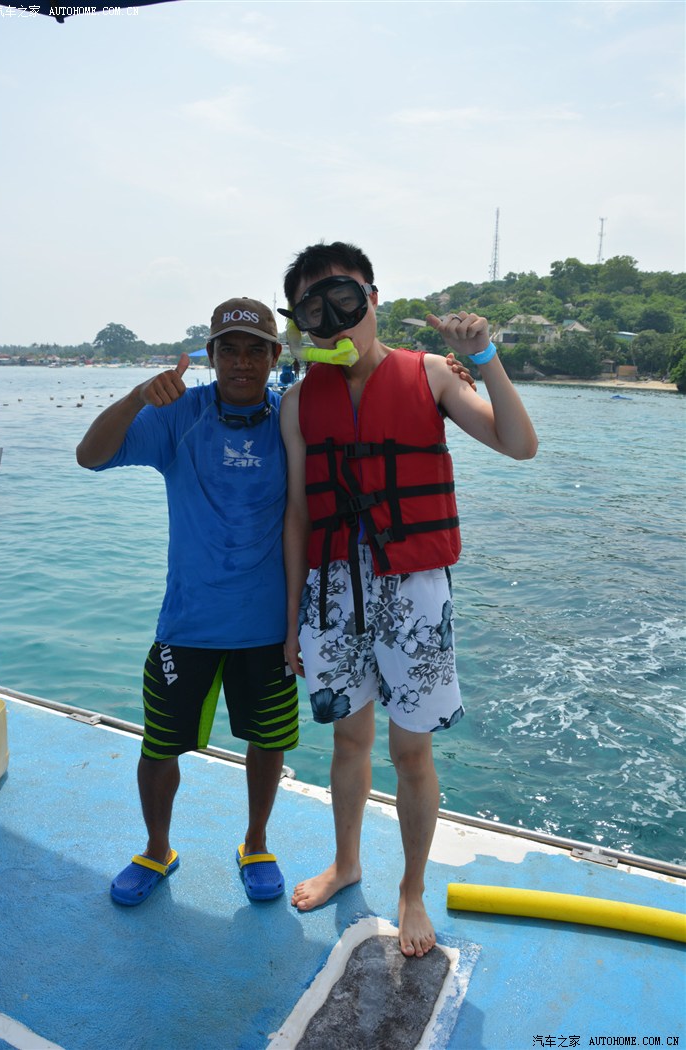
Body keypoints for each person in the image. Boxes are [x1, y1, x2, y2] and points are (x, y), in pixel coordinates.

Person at [279, 241, 538, 958]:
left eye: (345, 300)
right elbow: (298, 514)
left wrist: (484, 357)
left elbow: (520, 444)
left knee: (411, 750)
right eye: (314, 311)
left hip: (413, 587)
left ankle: (412, 889)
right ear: (302, 322)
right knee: (348, 739)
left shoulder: (431, 374)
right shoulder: (298, 401)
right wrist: (292, 620)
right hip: (332, 589)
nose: (334, 321)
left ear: (373, 299)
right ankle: (347, 863)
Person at [76, 298, 299, 906]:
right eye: (230, 350)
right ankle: (157, 849)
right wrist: (136, 398)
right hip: (187, 623)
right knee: (159, 746)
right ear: (211, 356)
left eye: (256, 350)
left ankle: (256, 842)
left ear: (275, 356)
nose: (242, 362)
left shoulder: (292, 418)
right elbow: (90, 456)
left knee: (268, 741)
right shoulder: (180, 414)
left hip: (267, 626)